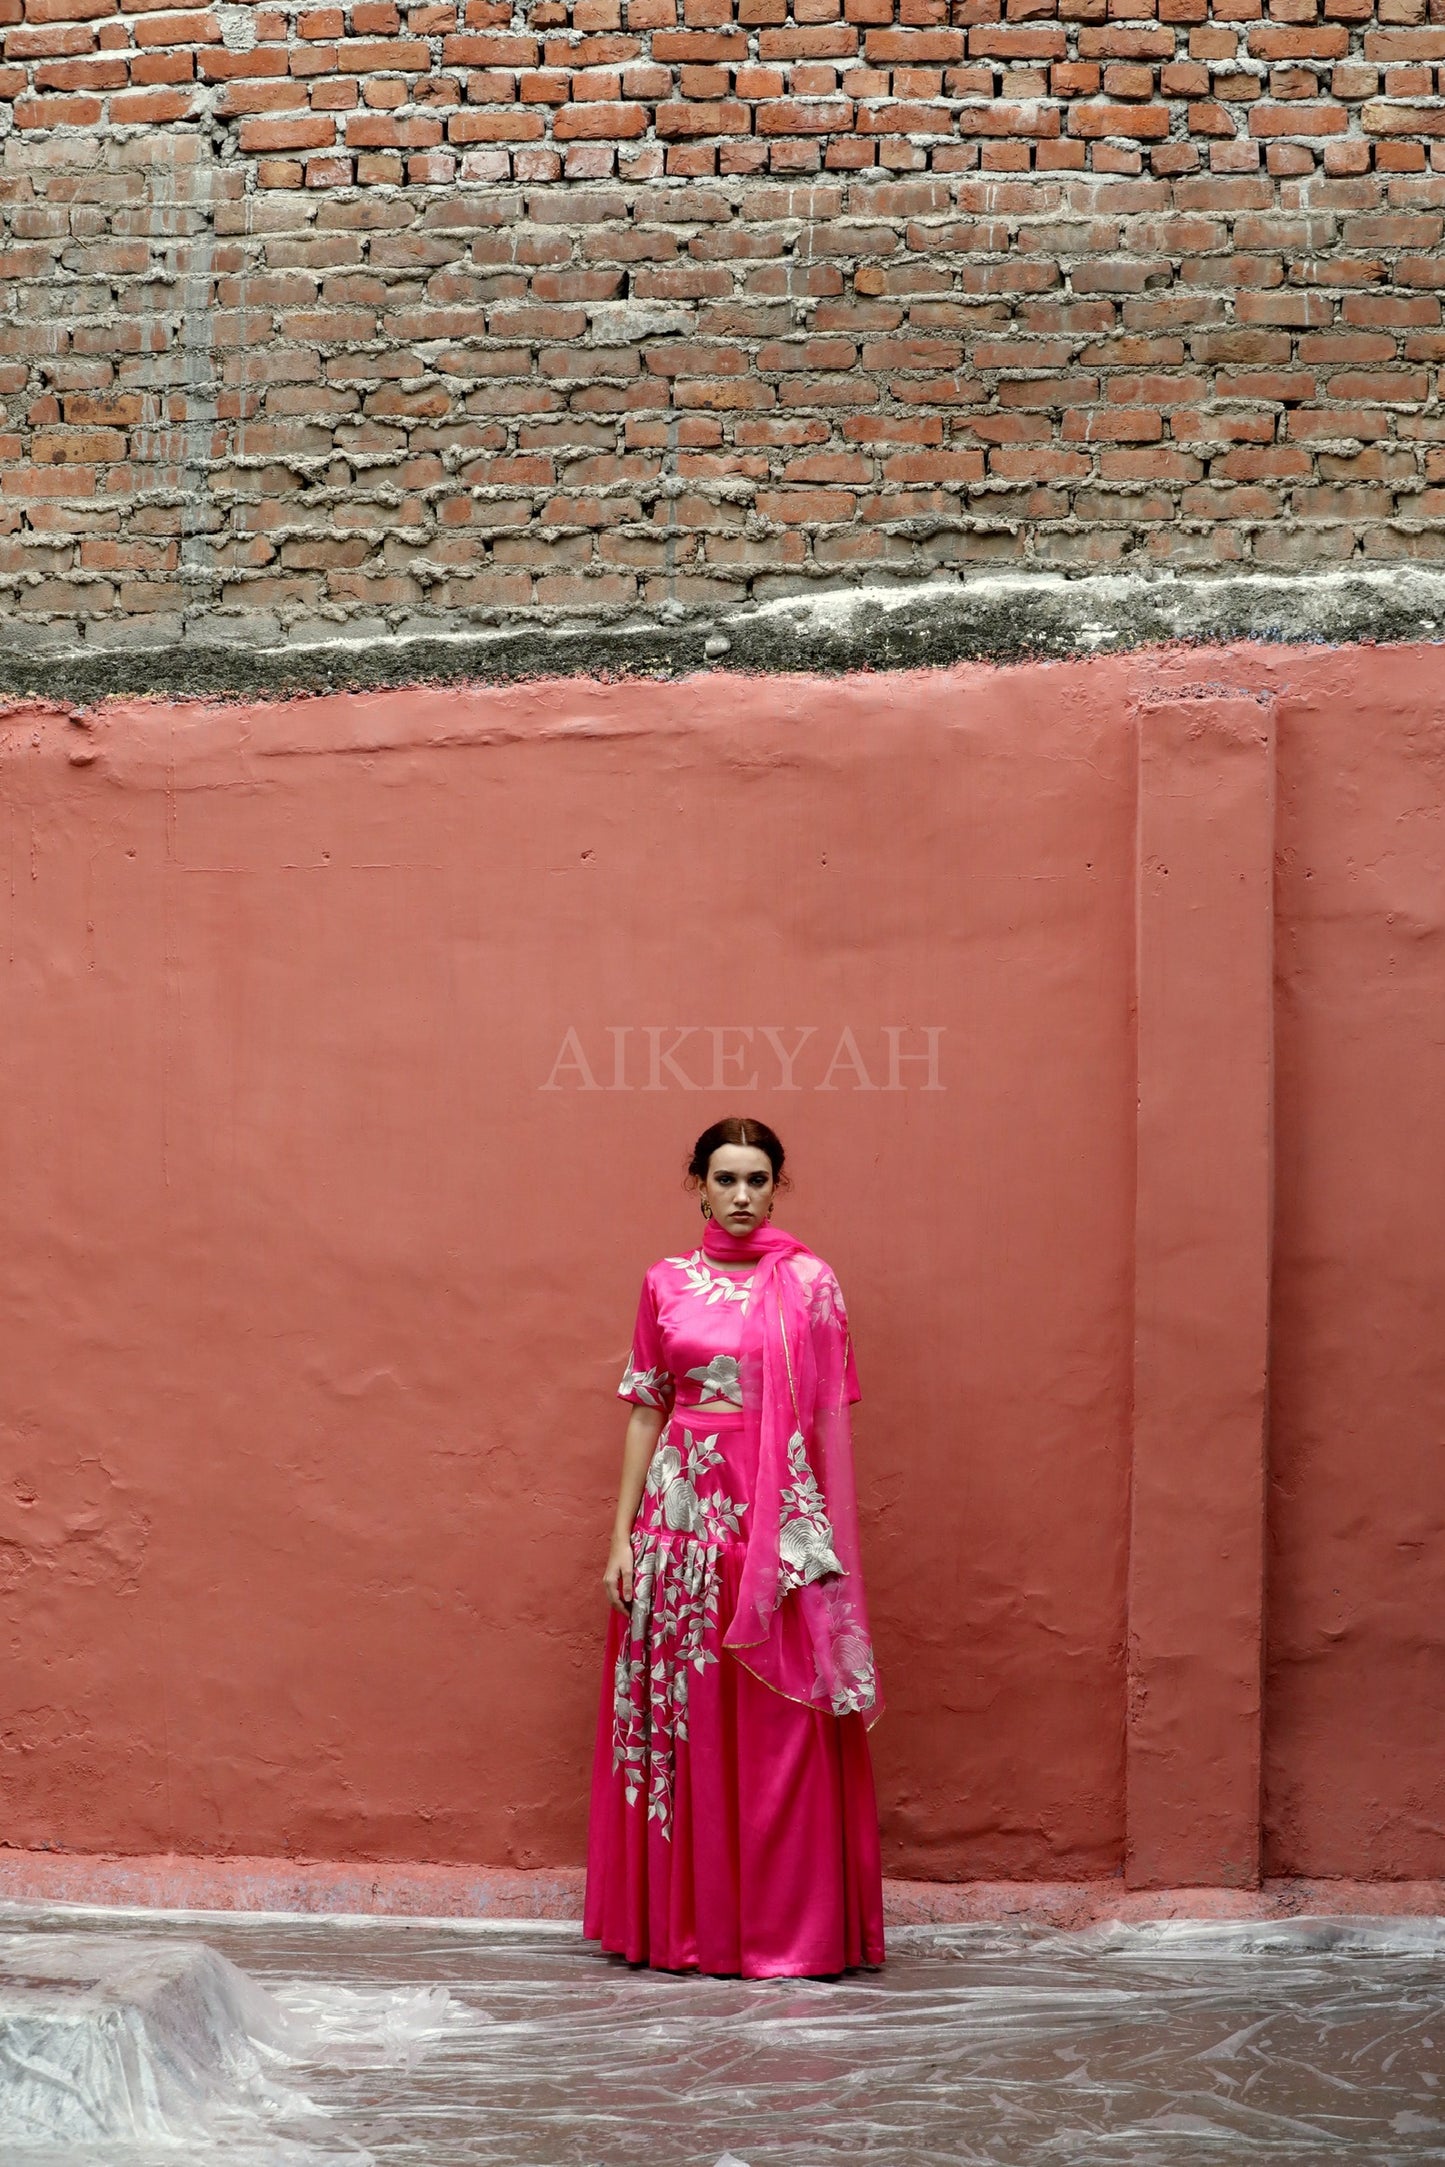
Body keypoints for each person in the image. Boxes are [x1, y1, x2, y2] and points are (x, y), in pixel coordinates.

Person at [583, 1116, 884, 1978]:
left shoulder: (812, 1284)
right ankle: (684, 1926)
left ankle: (792, 1928)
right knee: (689, 1718)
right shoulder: (663, 1283)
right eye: (726, 1179)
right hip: (678, 1525)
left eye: (758, 1179)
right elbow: (647, 1406)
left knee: (777, 1718)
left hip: (772, 1522)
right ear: (698, 1185)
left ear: (777, 1185)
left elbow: (827, 1422)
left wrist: (807, 1538)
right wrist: (621, 1538)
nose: (743, 1196)